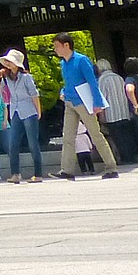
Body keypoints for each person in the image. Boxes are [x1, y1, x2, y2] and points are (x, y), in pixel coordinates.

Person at [51, 33, 121, 180]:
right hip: (70, 102)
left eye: (57, 46)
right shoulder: (63, 63)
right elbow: (67, 82)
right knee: (68, 137)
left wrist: (97, 103)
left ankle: (111, 167)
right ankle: (67, 170)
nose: (55, 49)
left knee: (95, 134)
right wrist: (63, 92)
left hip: (83, 101)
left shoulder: (82, 60)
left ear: (66, 45)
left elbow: (92, 82)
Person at [0, 50, 44, 182]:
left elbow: (34, 95)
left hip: (28, 110)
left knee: (32, 143)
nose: (8, 64)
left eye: (11, 61)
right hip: (15, 111)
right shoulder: (6, 78)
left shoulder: (26, 77)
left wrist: (38, 111)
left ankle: (38, 174)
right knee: (13, 143)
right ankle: (15, 174)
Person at [95, 58, 137, 166]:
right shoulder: (119, 78)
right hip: (124, 112)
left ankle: (125, 158)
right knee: (127, 136)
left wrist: (101, 115)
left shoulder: (102, 80)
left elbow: (102, 99)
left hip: (112, 114)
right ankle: (132, 157)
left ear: (99, 69)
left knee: (118, 138)